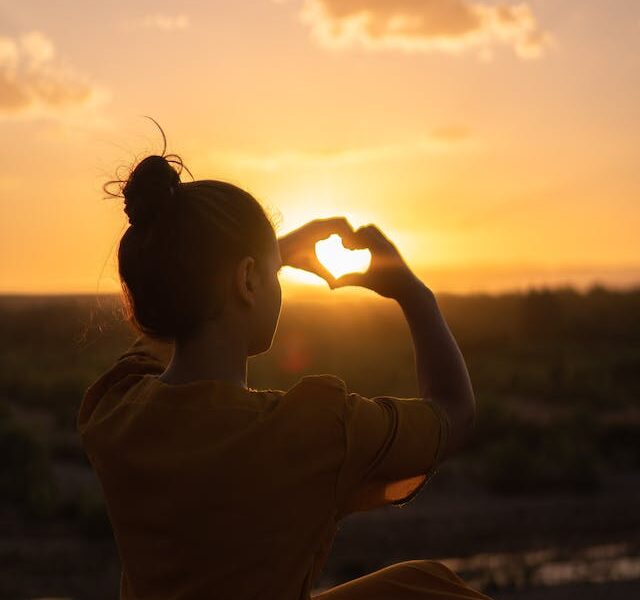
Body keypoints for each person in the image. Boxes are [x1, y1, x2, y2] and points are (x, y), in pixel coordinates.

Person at [78, 142, 492, 599]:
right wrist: (414, 294)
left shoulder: (114, 409)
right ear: (249, 280)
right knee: (432, 591)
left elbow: (168, 323)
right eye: (274, 273)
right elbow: (455, 413)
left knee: (419, 585)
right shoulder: (312, 430)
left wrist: (259, 256)